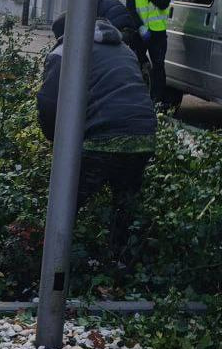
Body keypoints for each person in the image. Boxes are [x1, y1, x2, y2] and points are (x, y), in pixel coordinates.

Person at [37, 17, 157, 253]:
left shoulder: (65, 51)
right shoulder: (125, 49)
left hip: (103, 137)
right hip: (143, 135)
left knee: (65, 206)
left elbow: (49, 104)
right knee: (125, 206)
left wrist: (55, 141)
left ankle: (50, 260)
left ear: (63, 35)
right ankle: (122, 263)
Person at [126, 0, 173, 102]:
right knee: (135, 62)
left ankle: (157, 101)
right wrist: (140, 26)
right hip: (140, 32)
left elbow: (163, 4)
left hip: (158, 33)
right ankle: (134, 96)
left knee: (159, 66)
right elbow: (131, 8)